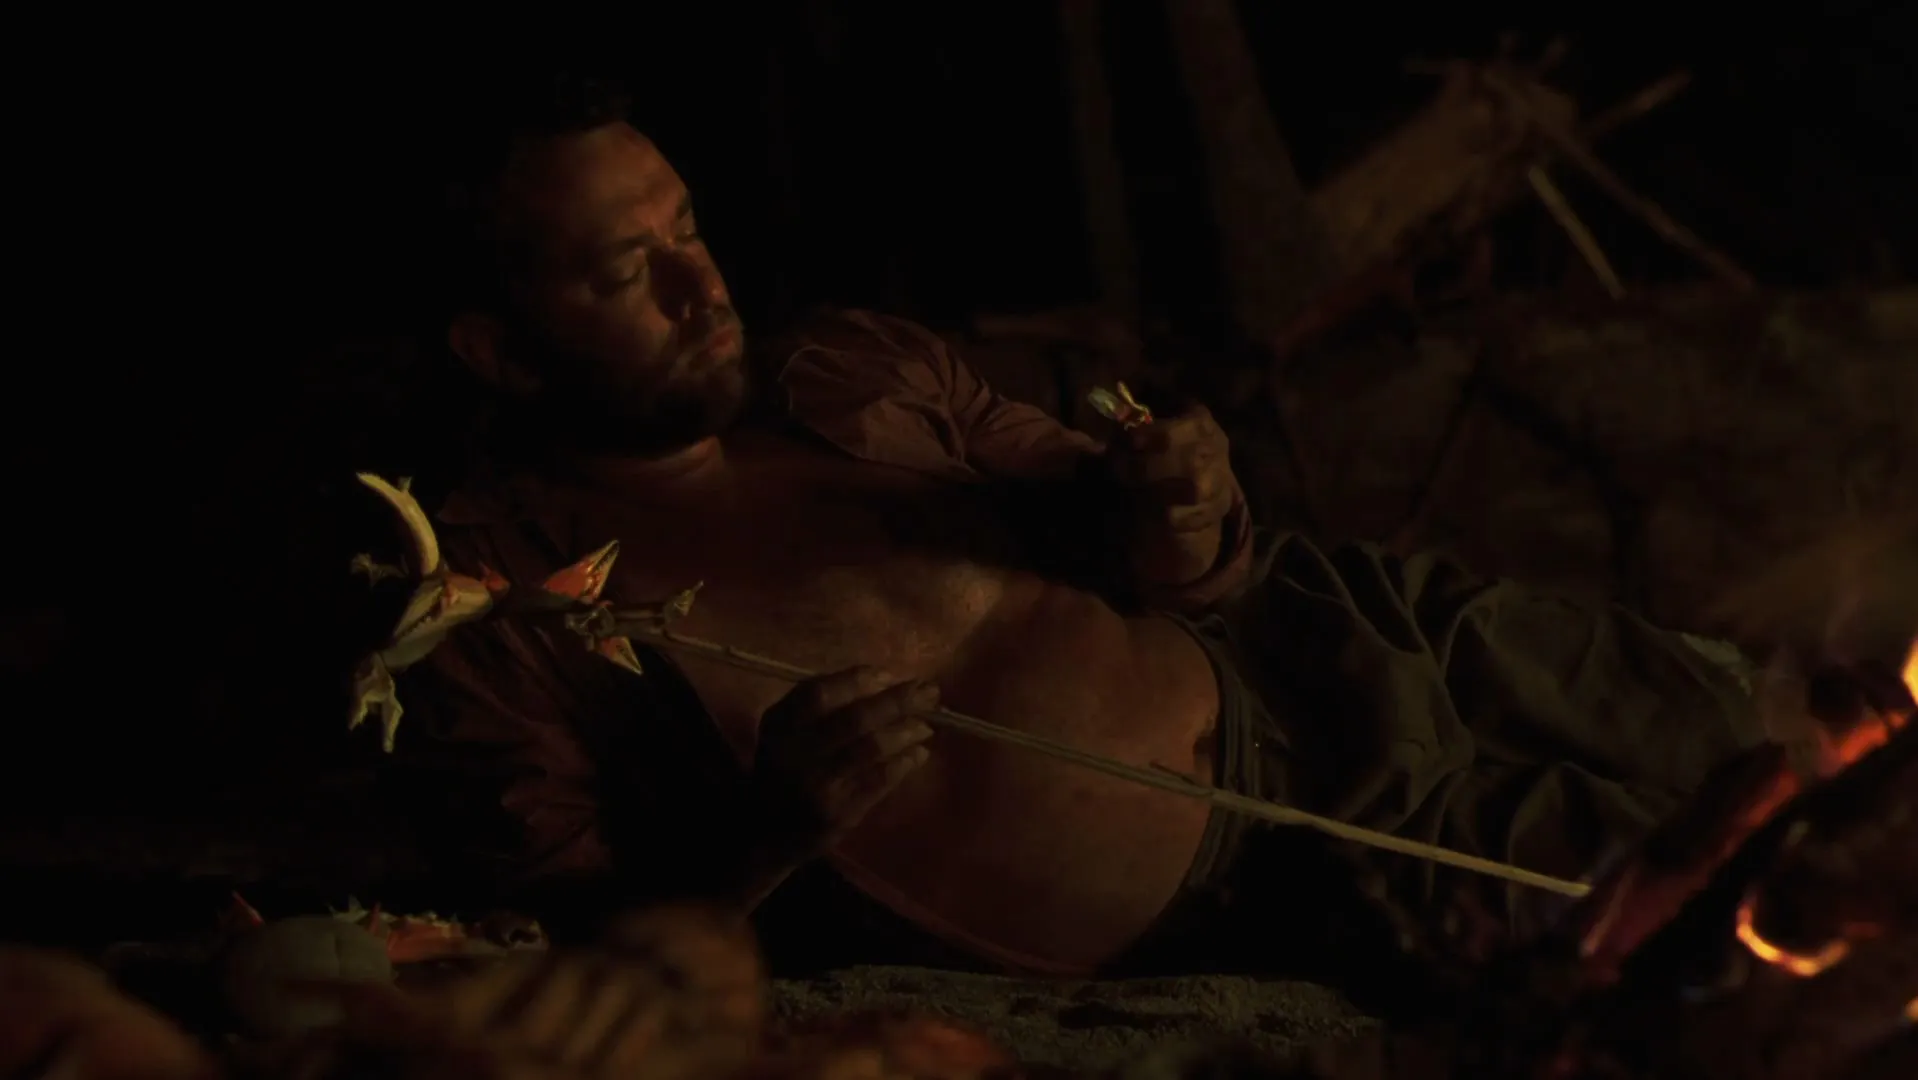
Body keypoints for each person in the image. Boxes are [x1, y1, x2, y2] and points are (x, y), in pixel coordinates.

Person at [393, 77, 1763, 992]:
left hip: (1336, 632)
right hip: (1301, 853)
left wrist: (1181, 499)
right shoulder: (503, 617)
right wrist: (764, 834)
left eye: (687, 227)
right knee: (1740, 896)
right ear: (499, 350)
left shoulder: (845, 378)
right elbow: (553, 953)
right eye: (627, 273)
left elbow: (1164, 545)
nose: (704, 288)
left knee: (1770, 735)